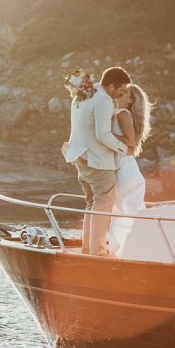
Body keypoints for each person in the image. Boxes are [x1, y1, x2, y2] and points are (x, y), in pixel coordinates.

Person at [62, 66, 131, 255]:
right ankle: (98, 251)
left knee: (91, 202)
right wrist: (124, 149)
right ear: (110, 86)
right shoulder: (103, 100)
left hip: (79, 155)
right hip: (96, 159)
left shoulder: (83, 95)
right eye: (121, 90)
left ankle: (88, 248)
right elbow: (103, 135)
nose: (121, 94)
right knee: (103, 202)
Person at [108, 82, 153, 255]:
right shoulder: (118, 113)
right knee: (124, 217)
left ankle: (130, 253)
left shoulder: (123, 113)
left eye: (124, 92)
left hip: (126, 172)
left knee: (127, 218)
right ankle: (129, 252)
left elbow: (131, 144)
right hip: (126, 170)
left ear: (130, 99)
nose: (119, 91)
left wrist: (105, 133)